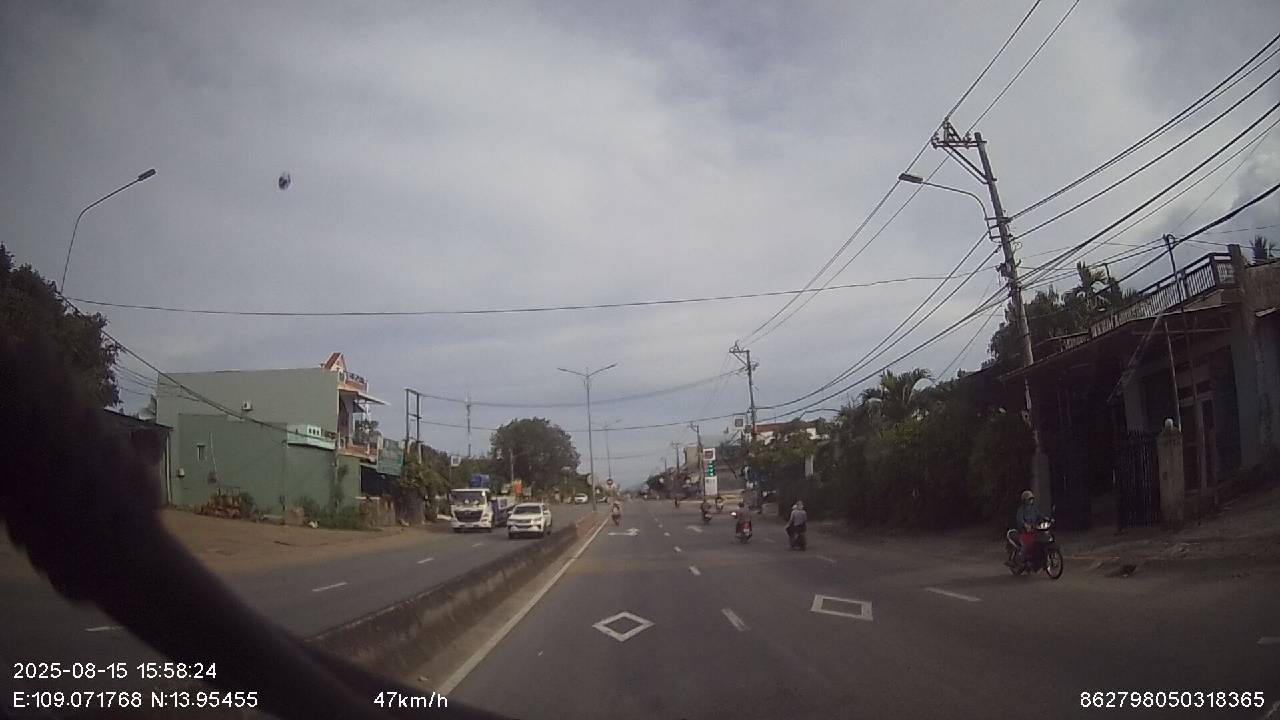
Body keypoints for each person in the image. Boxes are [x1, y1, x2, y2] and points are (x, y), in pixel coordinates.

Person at [1014, 490, 1043, 566]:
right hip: (1024, 531)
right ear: (1025, 500)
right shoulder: (1021, 510)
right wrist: (1025, 525)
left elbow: (1039, 516)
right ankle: (1022, 559)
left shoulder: (1034, 509)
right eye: (1029, 499)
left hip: (1034, 530)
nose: (1031, 500)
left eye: (1032, 499)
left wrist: (1047, 519)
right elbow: (1019, 520)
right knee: (1026, 544)